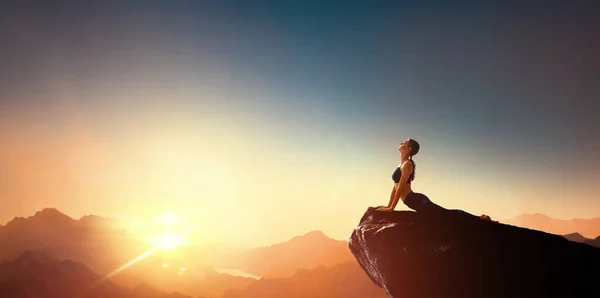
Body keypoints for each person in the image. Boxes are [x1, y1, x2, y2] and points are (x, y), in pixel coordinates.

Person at [375, 138, 495, 222]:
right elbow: (395, 187)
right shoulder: (401, 164)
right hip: (414, 199)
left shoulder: (407, 164)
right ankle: (479, 218)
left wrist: (391, 209)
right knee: (446, 214)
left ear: (409, 149)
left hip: (417, 201)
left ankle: (480, 219)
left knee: (448, 214)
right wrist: (388, 206)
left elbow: (400, 188)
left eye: (405, 142)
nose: (401, 142)